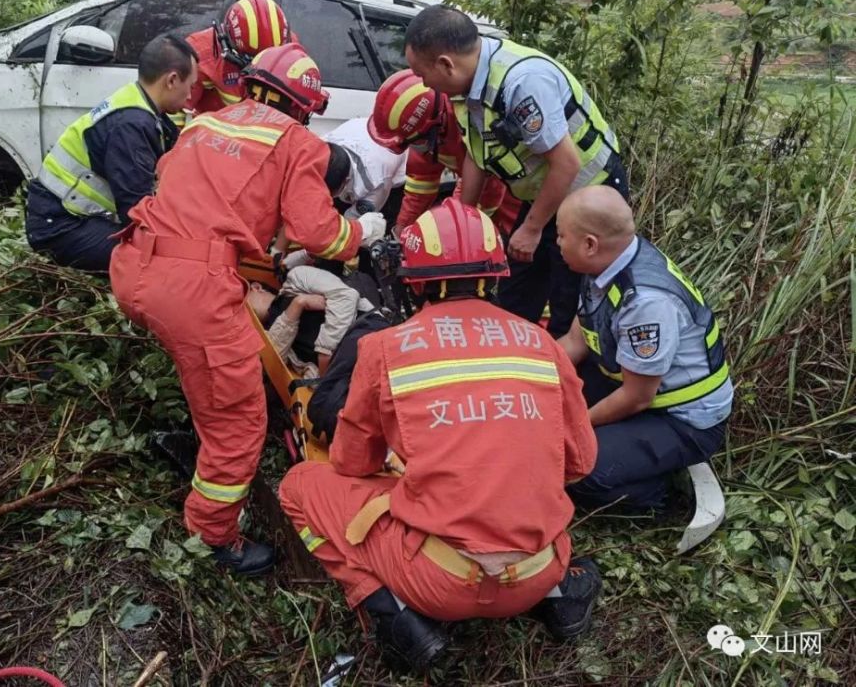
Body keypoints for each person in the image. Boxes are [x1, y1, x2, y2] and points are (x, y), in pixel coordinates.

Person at [279, 199, 603, 674]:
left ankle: (390, 616)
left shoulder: (384, 348)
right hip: (540, 567)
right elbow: (579, 464)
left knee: (299, 487)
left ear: (414, 280)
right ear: (496, 276)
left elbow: (351, 464)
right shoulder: (543, 347)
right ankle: (558, 595)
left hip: (438, 581)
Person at [109, 42, 387, 576]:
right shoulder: (296, 141)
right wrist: (362, 231)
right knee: (239, 420)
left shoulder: (204, 123)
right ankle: (213, 538)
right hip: (191, 290)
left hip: (134, 264)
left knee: (211, 372)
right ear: (304, 107)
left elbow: (197, 200)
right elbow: (318, 232)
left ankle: (195, 436)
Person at [403, 5, 629, 337]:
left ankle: (564, 378)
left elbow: (566, 163)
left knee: (569, 303)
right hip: (547, 195)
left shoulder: (522, 83)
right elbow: (477, 155)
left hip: (589, 197)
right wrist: (461, 219)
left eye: (422, 76)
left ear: (445, 64)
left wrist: (533, 228)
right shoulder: (465, 88)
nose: (425, 85)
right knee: (514, 294)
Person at [555, 185, 734, 510]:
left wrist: (574, 427)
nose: (557, 243)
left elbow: (637, 397)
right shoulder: (604, 265)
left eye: (561, 236)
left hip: (682, 419)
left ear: (589, 244)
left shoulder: (645, 302)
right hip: (632, 383)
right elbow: (574, 342)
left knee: (575, 469)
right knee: (550, 404)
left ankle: (667, 493)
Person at [25, 34, 197, 272]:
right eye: (191, 86)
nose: (190, 96)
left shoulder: (139, 103)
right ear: (172, 80)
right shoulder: (131, 125)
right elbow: (136, 213)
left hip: (65, 215)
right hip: (59, 226)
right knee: (153, 258)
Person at [367, 68, 510, 236]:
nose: (414, 146)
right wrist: (401, 233)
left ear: (434, 127)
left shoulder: (472, 123)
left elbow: (485, 185)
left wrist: (452, 227)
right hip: (479, 190)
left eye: (415, 140)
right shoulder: (428, 134)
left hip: (508, 193)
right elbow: (419, 190)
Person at [247, 265, 376, 376]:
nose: (241, 313)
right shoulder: (265, 336)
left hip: (365, 335)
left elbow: (347, 296)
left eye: (240, 305)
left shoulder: (296, 279)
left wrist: (325, 351)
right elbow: (274, 361)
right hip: (347, 374)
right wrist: (298, 304)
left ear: (256, 287)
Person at [183, 0, 292, 115]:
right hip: (214, 131)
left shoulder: (288, 50)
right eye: (250, 59)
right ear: (228, 41)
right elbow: (176, 110)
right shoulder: (200, 54)